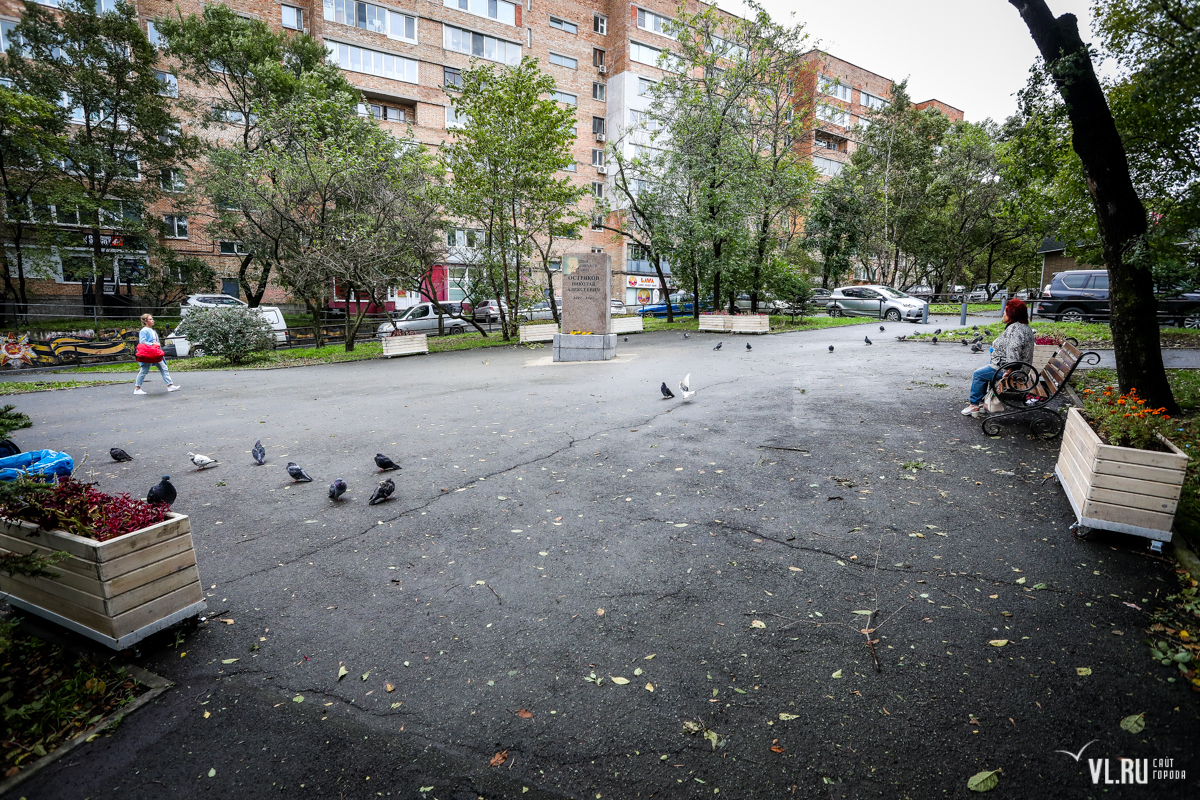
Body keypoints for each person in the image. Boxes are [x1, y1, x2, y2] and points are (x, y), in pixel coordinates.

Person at [961, 298, 1034, 418]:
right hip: (1015, 367)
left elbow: (1014, 352)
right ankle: (980, 404)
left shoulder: (1015, 329)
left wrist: (1009, 370)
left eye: (1005, 312)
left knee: (978, 375)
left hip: (1012, 370)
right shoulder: (1022, 327)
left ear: (1012, 314)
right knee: (983, 374)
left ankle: (974, 405)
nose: (1003, 315)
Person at [133, 313, 180, 395]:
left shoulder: (152, 330)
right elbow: (142, 342)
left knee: (163, 368)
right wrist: (153, 344)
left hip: (155, 353)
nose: (153, 320)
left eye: (152, 319)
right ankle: (137, 388)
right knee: (144, 370)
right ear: (145, 321)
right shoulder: (144, 330)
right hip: (149, 353)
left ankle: (170, 385)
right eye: (150, 319)